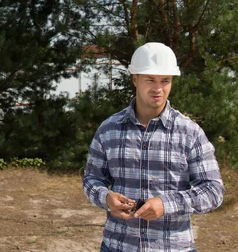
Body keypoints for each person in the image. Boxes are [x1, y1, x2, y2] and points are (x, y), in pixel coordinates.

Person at [83, 42, 224, 252]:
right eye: (150, 80)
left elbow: (213, 191)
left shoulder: (189, 133)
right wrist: (106, 197)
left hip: (174, 247)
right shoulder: (109, 129)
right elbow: (91, 179)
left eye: (165, 80)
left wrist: (167, 204)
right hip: (118, 246)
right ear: (135, 79)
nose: (158, 88)